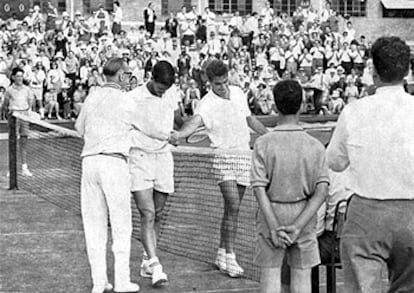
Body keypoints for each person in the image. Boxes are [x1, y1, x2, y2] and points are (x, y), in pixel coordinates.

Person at [327, 36, 414, 293]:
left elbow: (335, 161)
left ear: (373, 72)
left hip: (367, 214)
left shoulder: (354, 111)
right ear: (407, 72)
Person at [170, 59, 268, 278]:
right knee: (233, 205)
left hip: (243, 155)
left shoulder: (238, 92)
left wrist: (270, 135)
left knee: (232, 209)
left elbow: (250, 120)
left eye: (224, 82)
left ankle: (222, 253)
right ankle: (231, 258)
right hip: (223, 157)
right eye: (218, 84)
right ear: (209, 82)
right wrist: (179, 135)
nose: (222, 87)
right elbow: (194, 124)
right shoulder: (205, 104)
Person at [251, 79, 329, 293]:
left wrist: (275, 226)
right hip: (304, 213)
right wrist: (298, 225)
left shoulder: (263, 143)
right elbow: (321, 192)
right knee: (302, 279)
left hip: (271, 213)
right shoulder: (315, 146)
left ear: (275, 106)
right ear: (302, 105)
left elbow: (259, 189)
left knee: (270, 277)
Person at [75, 58, 140, 293]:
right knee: (122, 225)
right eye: (127, 74)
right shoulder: (127, 100)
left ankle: (99, 283)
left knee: (94, 225)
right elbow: (147, 127)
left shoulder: (92, 97)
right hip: (113, 163)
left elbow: (78, 128)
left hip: (90, 163)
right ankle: (121, 282)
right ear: (121, 75)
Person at [126, 61, 181, 287]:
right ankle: (156, 266)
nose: (162, 91)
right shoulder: (132, 98)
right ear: (151, 77)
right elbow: (148, 128)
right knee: (147, 213)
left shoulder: (170, 93)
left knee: (158, 213)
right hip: (139, 157)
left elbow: (178, 119)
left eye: (166, 88)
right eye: (160, 86)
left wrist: (186, 129)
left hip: (163, 159)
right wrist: (170, 135)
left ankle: (147, 260)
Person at [3, 67, 35, 176]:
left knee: (24, 143)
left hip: (24, 117)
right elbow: (5, 104)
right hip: (14, 117)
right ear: (13, 77)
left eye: (21, 76)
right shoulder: (9, 90)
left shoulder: (27, 89)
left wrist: (28, 112)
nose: (20, 78)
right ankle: (11, 169)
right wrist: (9, 114)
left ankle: (24, 168)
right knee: (13, 143)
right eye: (18, 76)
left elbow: (30, 102)